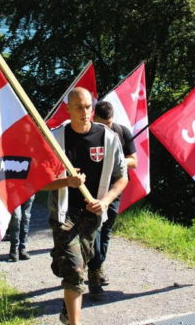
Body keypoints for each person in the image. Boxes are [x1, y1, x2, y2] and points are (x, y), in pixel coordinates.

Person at [42, 87, 128, 325]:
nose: (85, 111)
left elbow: (123, 178)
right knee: (75, 268)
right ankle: (74, 322)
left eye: (88, 106)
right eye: (78, 107)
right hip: (64, 214)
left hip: (93, 214)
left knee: (81, 263)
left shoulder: (108, 138)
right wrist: (66, 182)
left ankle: (67, 308)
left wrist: (105, 201)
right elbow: (39, 183)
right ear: (68, 109)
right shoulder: (55, 138)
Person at [87, 100, 138, 298]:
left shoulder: (122, 132)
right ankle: (94, 273)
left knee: (106, 230)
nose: (106, 129)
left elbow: (134, 161)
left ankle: (98, 266)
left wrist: (116, 160)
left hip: (114, 188)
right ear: (94, 118)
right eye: (102, 125)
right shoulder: (89, 133)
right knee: (95, 230)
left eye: (109, 124)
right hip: (92, 190)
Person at [7, 196, 35, 262]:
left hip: (29, 188)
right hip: (14, 189)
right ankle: (14, 249)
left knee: (26, 217)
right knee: (15, 218)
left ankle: (22, 248)